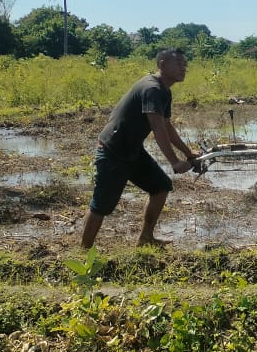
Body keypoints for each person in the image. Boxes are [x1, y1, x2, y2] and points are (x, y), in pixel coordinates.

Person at [81, 48, 200, 249]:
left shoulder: (164, 91)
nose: (183, 68)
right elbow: (157, 128)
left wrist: (188, 153)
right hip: (113, 151)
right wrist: (174, 161)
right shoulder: (152, 88)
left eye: (185, 64)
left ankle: (145, 238)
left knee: (160, 186)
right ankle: (84, 251)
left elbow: (167, 125)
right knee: (101, 205)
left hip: (132, 150)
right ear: (162, 64)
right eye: (178, 63)